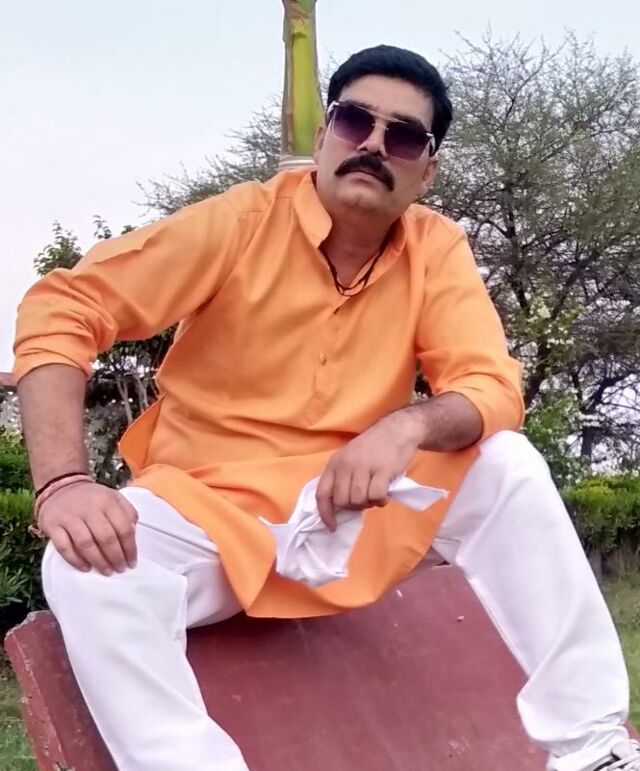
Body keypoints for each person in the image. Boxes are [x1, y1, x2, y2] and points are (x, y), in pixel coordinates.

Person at [13, 44, 639, 771]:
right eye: (354, 121)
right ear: (323, 138)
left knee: (506, 464)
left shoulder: (436, 248)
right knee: (84, 567)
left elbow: (491, 385)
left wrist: (407, 424)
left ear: (426, 171)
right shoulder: (241, 222)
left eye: (403, 137)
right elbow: (64, 307)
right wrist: (64, 483)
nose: (373, 144)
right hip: (209, 514)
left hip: (350, 508)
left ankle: (592, 749)